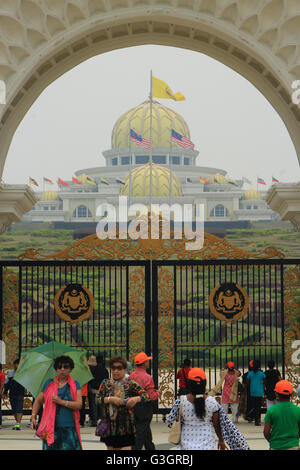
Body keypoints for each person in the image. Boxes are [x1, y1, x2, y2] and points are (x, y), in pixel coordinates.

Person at [96, 355, 150, 450]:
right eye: (113, 368)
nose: (116, 371)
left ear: (124, 369)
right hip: (110, 426)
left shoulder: (130, 384)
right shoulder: (105, 383)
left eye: (119, 368)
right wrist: (110, 399)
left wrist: (135, 399)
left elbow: (146, 396)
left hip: (126, 426)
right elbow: (97, 399)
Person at [30, 355, 82, 450]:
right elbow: (38, 401)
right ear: (56, 369)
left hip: (68, 427)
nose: (62, 369)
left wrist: (61, 402)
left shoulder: (75, 384)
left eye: (65, 367)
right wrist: (33, 415)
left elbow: (79, 405)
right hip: (50, 429)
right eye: (59, 367)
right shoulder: (49, 384)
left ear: (70, 369)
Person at [168, 368, 226, 450]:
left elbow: (170, 421)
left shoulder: (181, 402)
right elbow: (216, 424)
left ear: (189, 383)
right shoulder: (212, 402)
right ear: (204, 383)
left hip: (186, 443)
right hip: (207, 443)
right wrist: (221, 440)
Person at [129, 352, 160, 450]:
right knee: (141, 431)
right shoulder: (147, 377)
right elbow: (150, 396)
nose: (148, 362)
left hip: (133, 405)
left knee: (145, 430)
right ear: (144, 363)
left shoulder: (131, 376)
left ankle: (150, 448)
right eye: (147, 361)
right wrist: (158, 393)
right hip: (144, 407)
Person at [264, 379, 300, 450]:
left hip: (276, 446)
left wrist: (272, 441)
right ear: (291, 394)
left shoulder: (271, 410)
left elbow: (266, 432)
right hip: (293, 445)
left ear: (276, 394)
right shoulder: (298, 410)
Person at [4, 359, 25, 430]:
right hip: (12, 393)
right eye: (15, 364)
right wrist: (5, 392)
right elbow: (6, 384)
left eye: (18, 364)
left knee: (19, 408)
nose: (16, 365)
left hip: (20, 393)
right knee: (14, 409)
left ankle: (18, 423)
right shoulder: (10, 373)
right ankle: (17, 422)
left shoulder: (23, 373)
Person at [88, 354, 109, 426]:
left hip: (94, 389)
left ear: (96, 361)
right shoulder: (105, 370)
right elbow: (107, 380)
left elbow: (90, 379)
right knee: (102, 406)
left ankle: (94, 421)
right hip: (102, 389)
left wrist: (90, 386)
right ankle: (103, 419)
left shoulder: (93, 369)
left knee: (94, 406)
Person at [247, 359, 266, 426]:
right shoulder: (261, 374)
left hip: (253, 392)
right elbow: (264, 382)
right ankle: (258, 420)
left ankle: (254, 418)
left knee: (254, 406)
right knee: (258, 407)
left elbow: (248, 383)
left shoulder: (250, 373)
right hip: (260, 392)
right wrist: (264, 389)